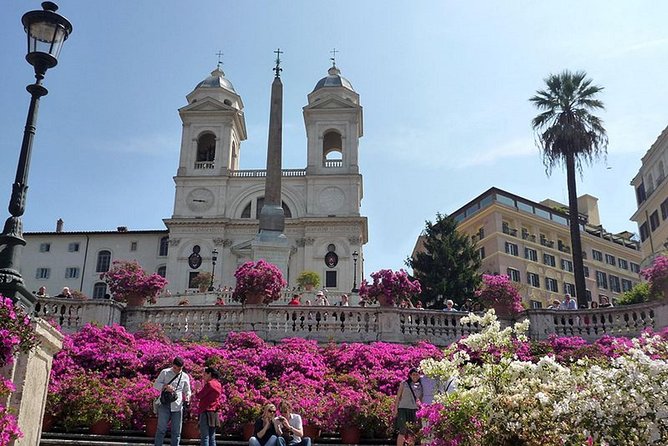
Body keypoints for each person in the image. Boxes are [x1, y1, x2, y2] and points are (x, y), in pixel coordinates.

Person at [154, 357, 192, 446]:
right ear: (173, 365)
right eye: (176, 368)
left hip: (177, 405)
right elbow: (156, 385)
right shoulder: (165, 372)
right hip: (164, 404)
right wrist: (165, 386)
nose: (178, 370)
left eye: (180, 368)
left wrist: (187, 397)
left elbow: (187, 390)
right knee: (161, 430)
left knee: (176, 432)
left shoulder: (185, 376)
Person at [394, 369, 423, 446]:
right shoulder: (404, 383)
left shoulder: (420, 385)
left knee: (412, 431)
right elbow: (398, 397)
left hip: (414, 410)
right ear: (410, 375)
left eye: (417, 374)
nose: (415, 376)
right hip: (403, 409)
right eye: (413, 374)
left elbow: (420, 399)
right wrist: (395, 409)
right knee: (402, 431)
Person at [198, 366, 222, 446]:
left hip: (206, 411)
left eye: (205, 375)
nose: (203, 377)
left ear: (209, 374)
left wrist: (196, 389)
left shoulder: (209, 384)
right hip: (214, 413)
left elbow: (200, 395)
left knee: (205, 437)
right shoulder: (218, 384)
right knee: (212, 437)